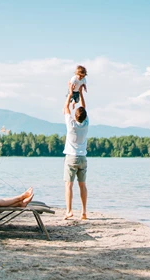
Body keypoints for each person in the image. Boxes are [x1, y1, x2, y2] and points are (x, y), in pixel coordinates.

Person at [62, 86, 89, 220]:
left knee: (69, 184)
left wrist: (70, 94)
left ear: (75, 116)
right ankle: (83, 212)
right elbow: (84, 107)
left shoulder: (71, 124)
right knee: (82, 185)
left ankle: (69, 211)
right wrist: (81, 94)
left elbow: (66, 107)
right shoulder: (86, 124)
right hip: (82, 158)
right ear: (84, 117)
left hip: (71, 158)